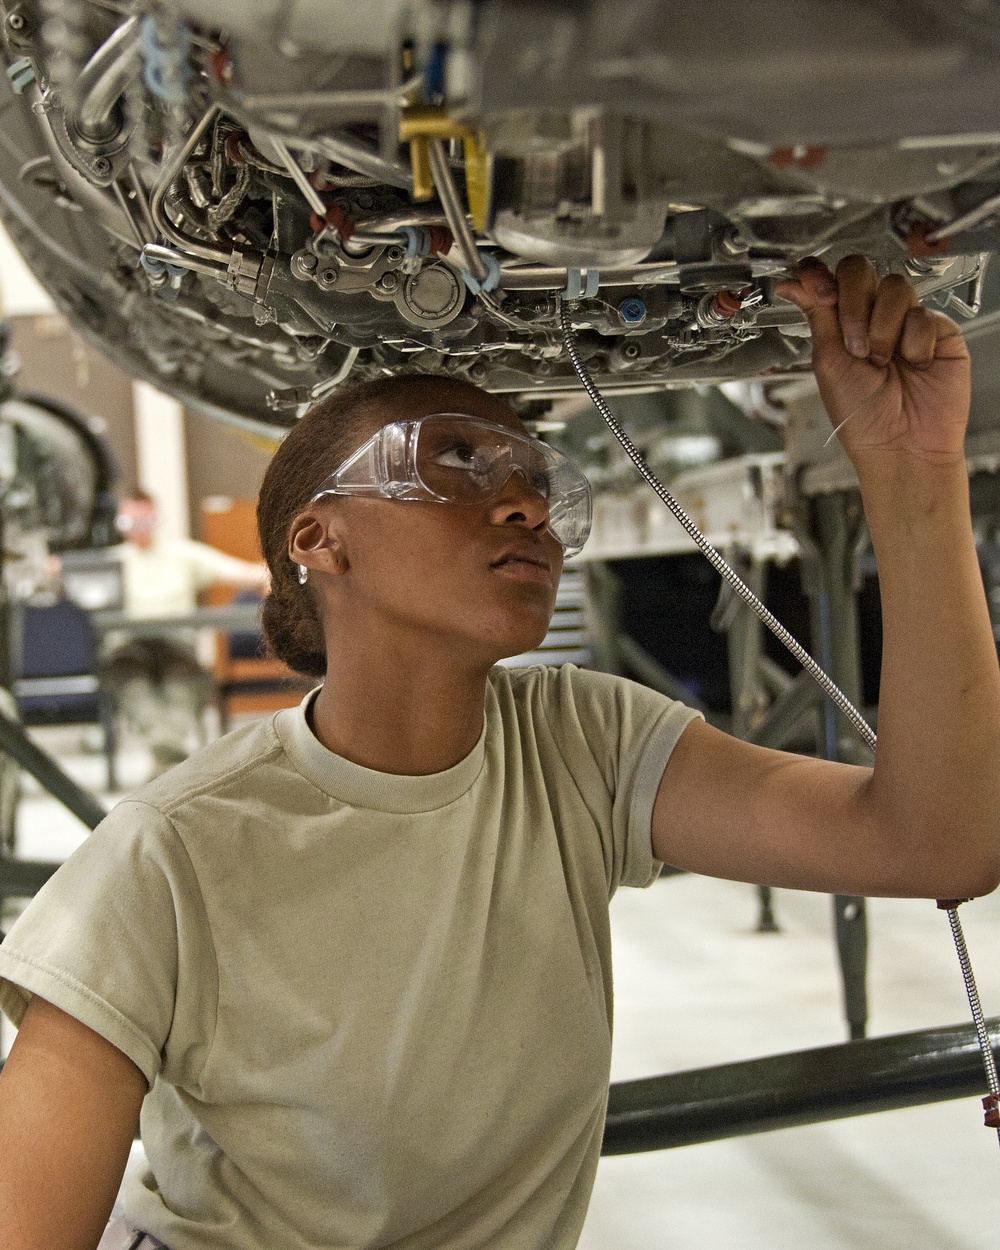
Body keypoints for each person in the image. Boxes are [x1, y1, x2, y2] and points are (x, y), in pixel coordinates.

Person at [0, 255, 997, 1250]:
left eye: (535, 479)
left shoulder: (581, 743)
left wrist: (913, 475)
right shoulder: (171, 853)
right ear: (321, 539)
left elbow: (933, 842)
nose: (525, 504)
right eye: (457, 461)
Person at [100, 491, 269, 775]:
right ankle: (170, 759)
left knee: (181, 689)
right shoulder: (109, 562)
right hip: (128, 653)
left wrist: (271, 579)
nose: (138, 528)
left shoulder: (184, 554)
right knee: (136, 691)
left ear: (156, 519)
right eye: (131, 521)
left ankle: (164, 761)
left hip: (177, 649)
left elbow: (245, 572)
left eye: (145, 520)